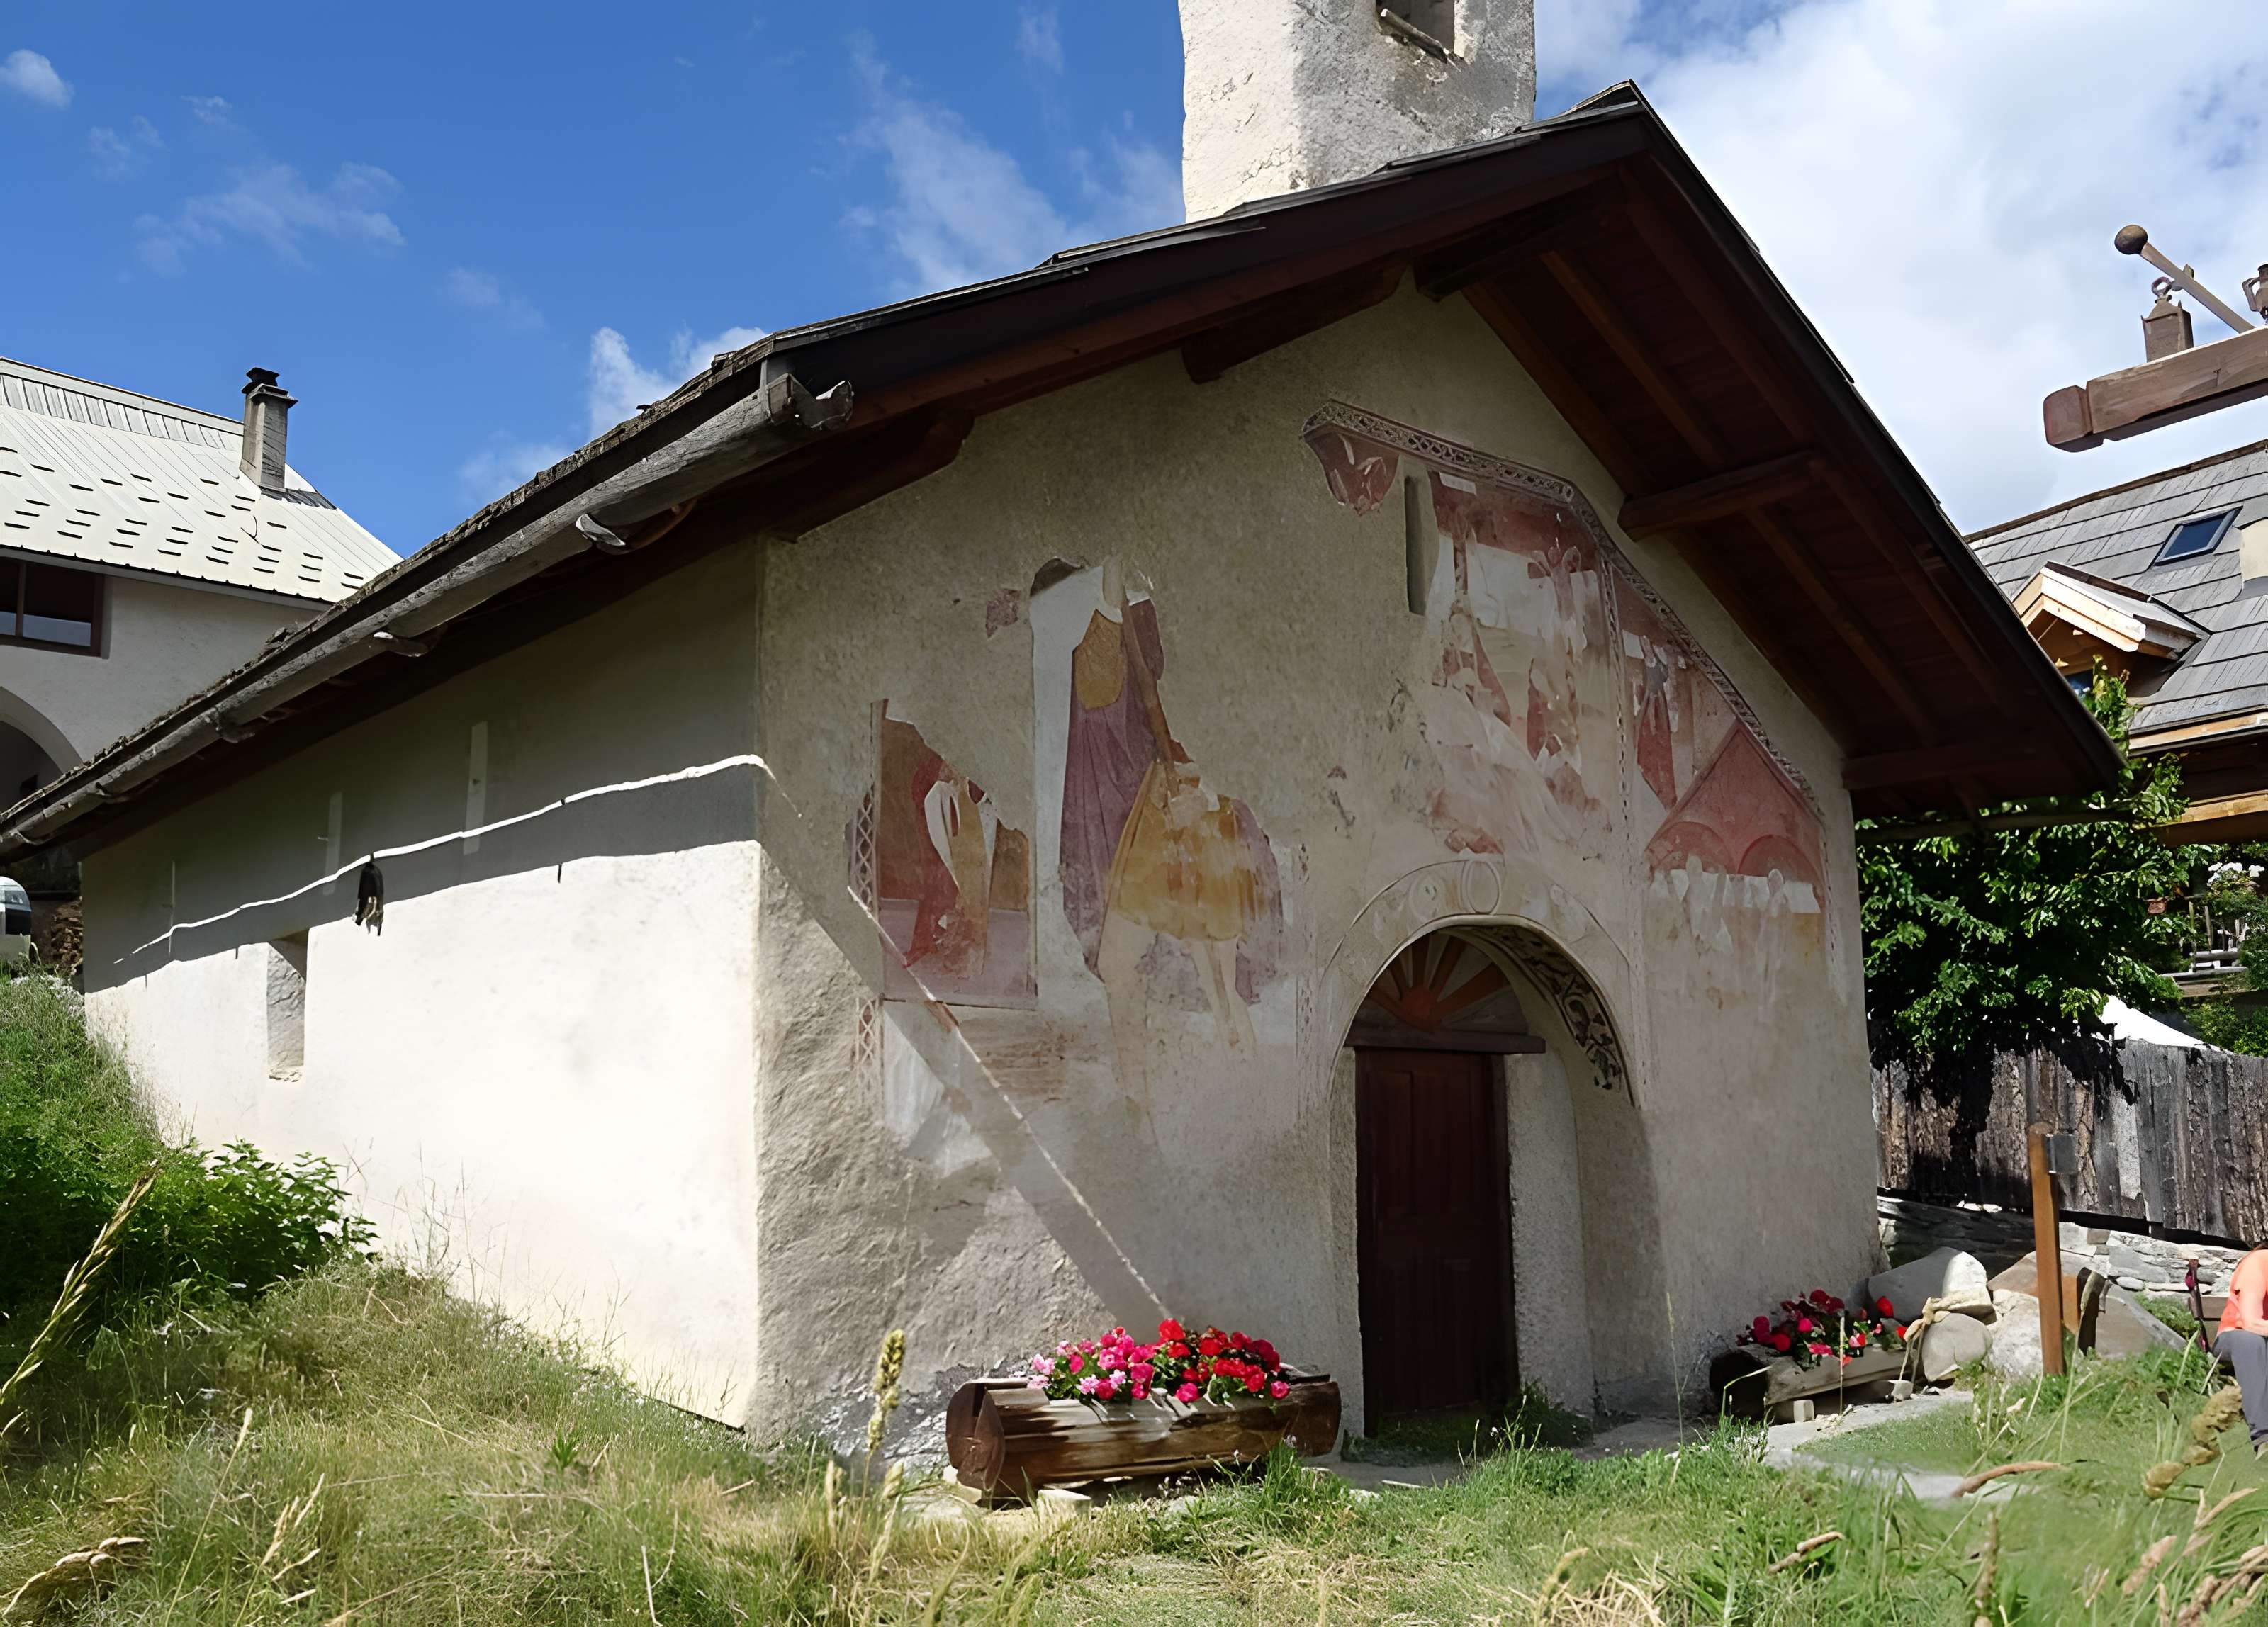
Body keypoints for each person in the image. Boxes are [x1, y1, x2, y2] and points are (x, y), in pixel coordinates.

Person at [2215, 1246, 2268, 1452]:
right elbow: (2251, 1323)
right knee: (2251, 1342)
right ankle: (2263, 1439)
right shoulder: (2259, 1263)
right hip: (2235, 1338)